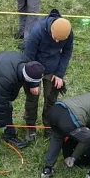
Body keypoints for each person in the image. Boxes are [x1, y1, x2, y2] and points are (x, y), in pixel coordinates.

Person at [21, 11, 72, 139]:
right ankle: (30, 127)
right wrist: (33, 83)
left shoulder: (68, 33)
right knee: (32, 98)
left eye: (59, 40)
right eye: (55, 37)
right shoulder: (37, 32)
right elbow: (29, 57)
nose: (56, 41)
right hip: (35, 67)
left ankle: (48, 126)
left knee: (51, 99)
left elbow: (66, 53)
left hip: (53, 69)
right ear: (51, 29)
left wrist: (59, 74)